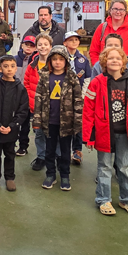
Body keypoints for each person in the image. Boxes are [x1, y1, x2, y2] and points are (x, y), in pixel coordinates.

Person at [83, 47, 128, 217]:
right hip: (104, 134)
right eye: (110, 58)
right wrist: (89, 134)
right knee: (104, 167)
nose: (114, 61)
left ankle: (127, 200)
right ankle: (103, 199)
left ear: (124, 62)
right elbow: (88, 109)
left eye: (118, 58)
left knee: (124, 167)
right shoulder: (96, 82)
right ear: (104, 61)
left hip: (126, 134)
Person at [33, 45, 83, 191]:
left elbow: (78, 100)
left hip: (66, 123)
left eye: (61, 59)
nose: (57, 62)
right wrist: (37, 120)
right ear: (50, 61)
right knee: (49, 150)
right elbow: (38, 99)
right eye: (54, 59)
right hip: (49, 122)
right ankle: (50, 174)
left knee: (65, 151)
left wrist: (77, 121)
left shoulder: (72, 78)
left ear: (66, 61)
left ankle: (65, 175)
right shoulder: (44, 77)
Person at [0, 55, 29, 192]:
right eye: (6, 66)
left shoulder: (20, 89)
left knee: (10, 153)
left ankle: (10, 177)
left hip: (11, 129)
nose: (9, 69)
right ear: (0, 69)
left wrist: (12, 126)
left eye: (12, 66)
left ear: (16, 68)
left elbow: (23, 110)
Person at [24, 34, 56, 172]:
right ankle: (41, 156)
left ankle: (55, 156)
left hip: (53, 107)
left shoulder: (56, 64)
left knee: (54, 133)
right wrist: (30, 101)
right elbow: (26, 84)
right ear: (36, 47)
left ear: (51, 46)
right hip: (36, 106)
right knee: (39, 133)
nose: (43, 47)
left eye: (46, 44)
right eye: (40, 44)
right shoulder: (32, 66)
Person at [89, 0, 128, 65]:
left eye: (121, 9)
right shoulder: (102, 28)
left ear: (125, 12)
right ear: (110, 11)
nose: (118, 12)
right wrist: (99, 68)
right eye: (115, 9)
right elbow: (94, 51)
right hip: (106, 69)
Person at [63, 31, 92, 166]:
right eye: (70, 40)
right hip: (64, 96)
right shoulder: (61, 58)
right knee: (66, 123)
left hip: (79, 96)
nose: (74, 42)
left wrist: (83, 95)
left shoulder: (83, 60)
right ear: (65, 43)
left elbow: (87, 78)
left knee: (78, 124)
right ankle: (65, 150)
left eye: (76, 40)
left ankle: (77, 151)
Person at [15, 35, 37, 156]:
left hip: (28, 97)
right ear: (22, 45)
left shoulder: (36, 62)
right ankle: (11, 142)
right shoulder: (14, 60)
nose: (28, 47)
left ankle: (23, 146)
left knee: (25, 123)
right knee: (12, 121)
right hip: (14, 97)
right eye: (26, 44)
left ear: (35, 48)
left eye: (31, 45)